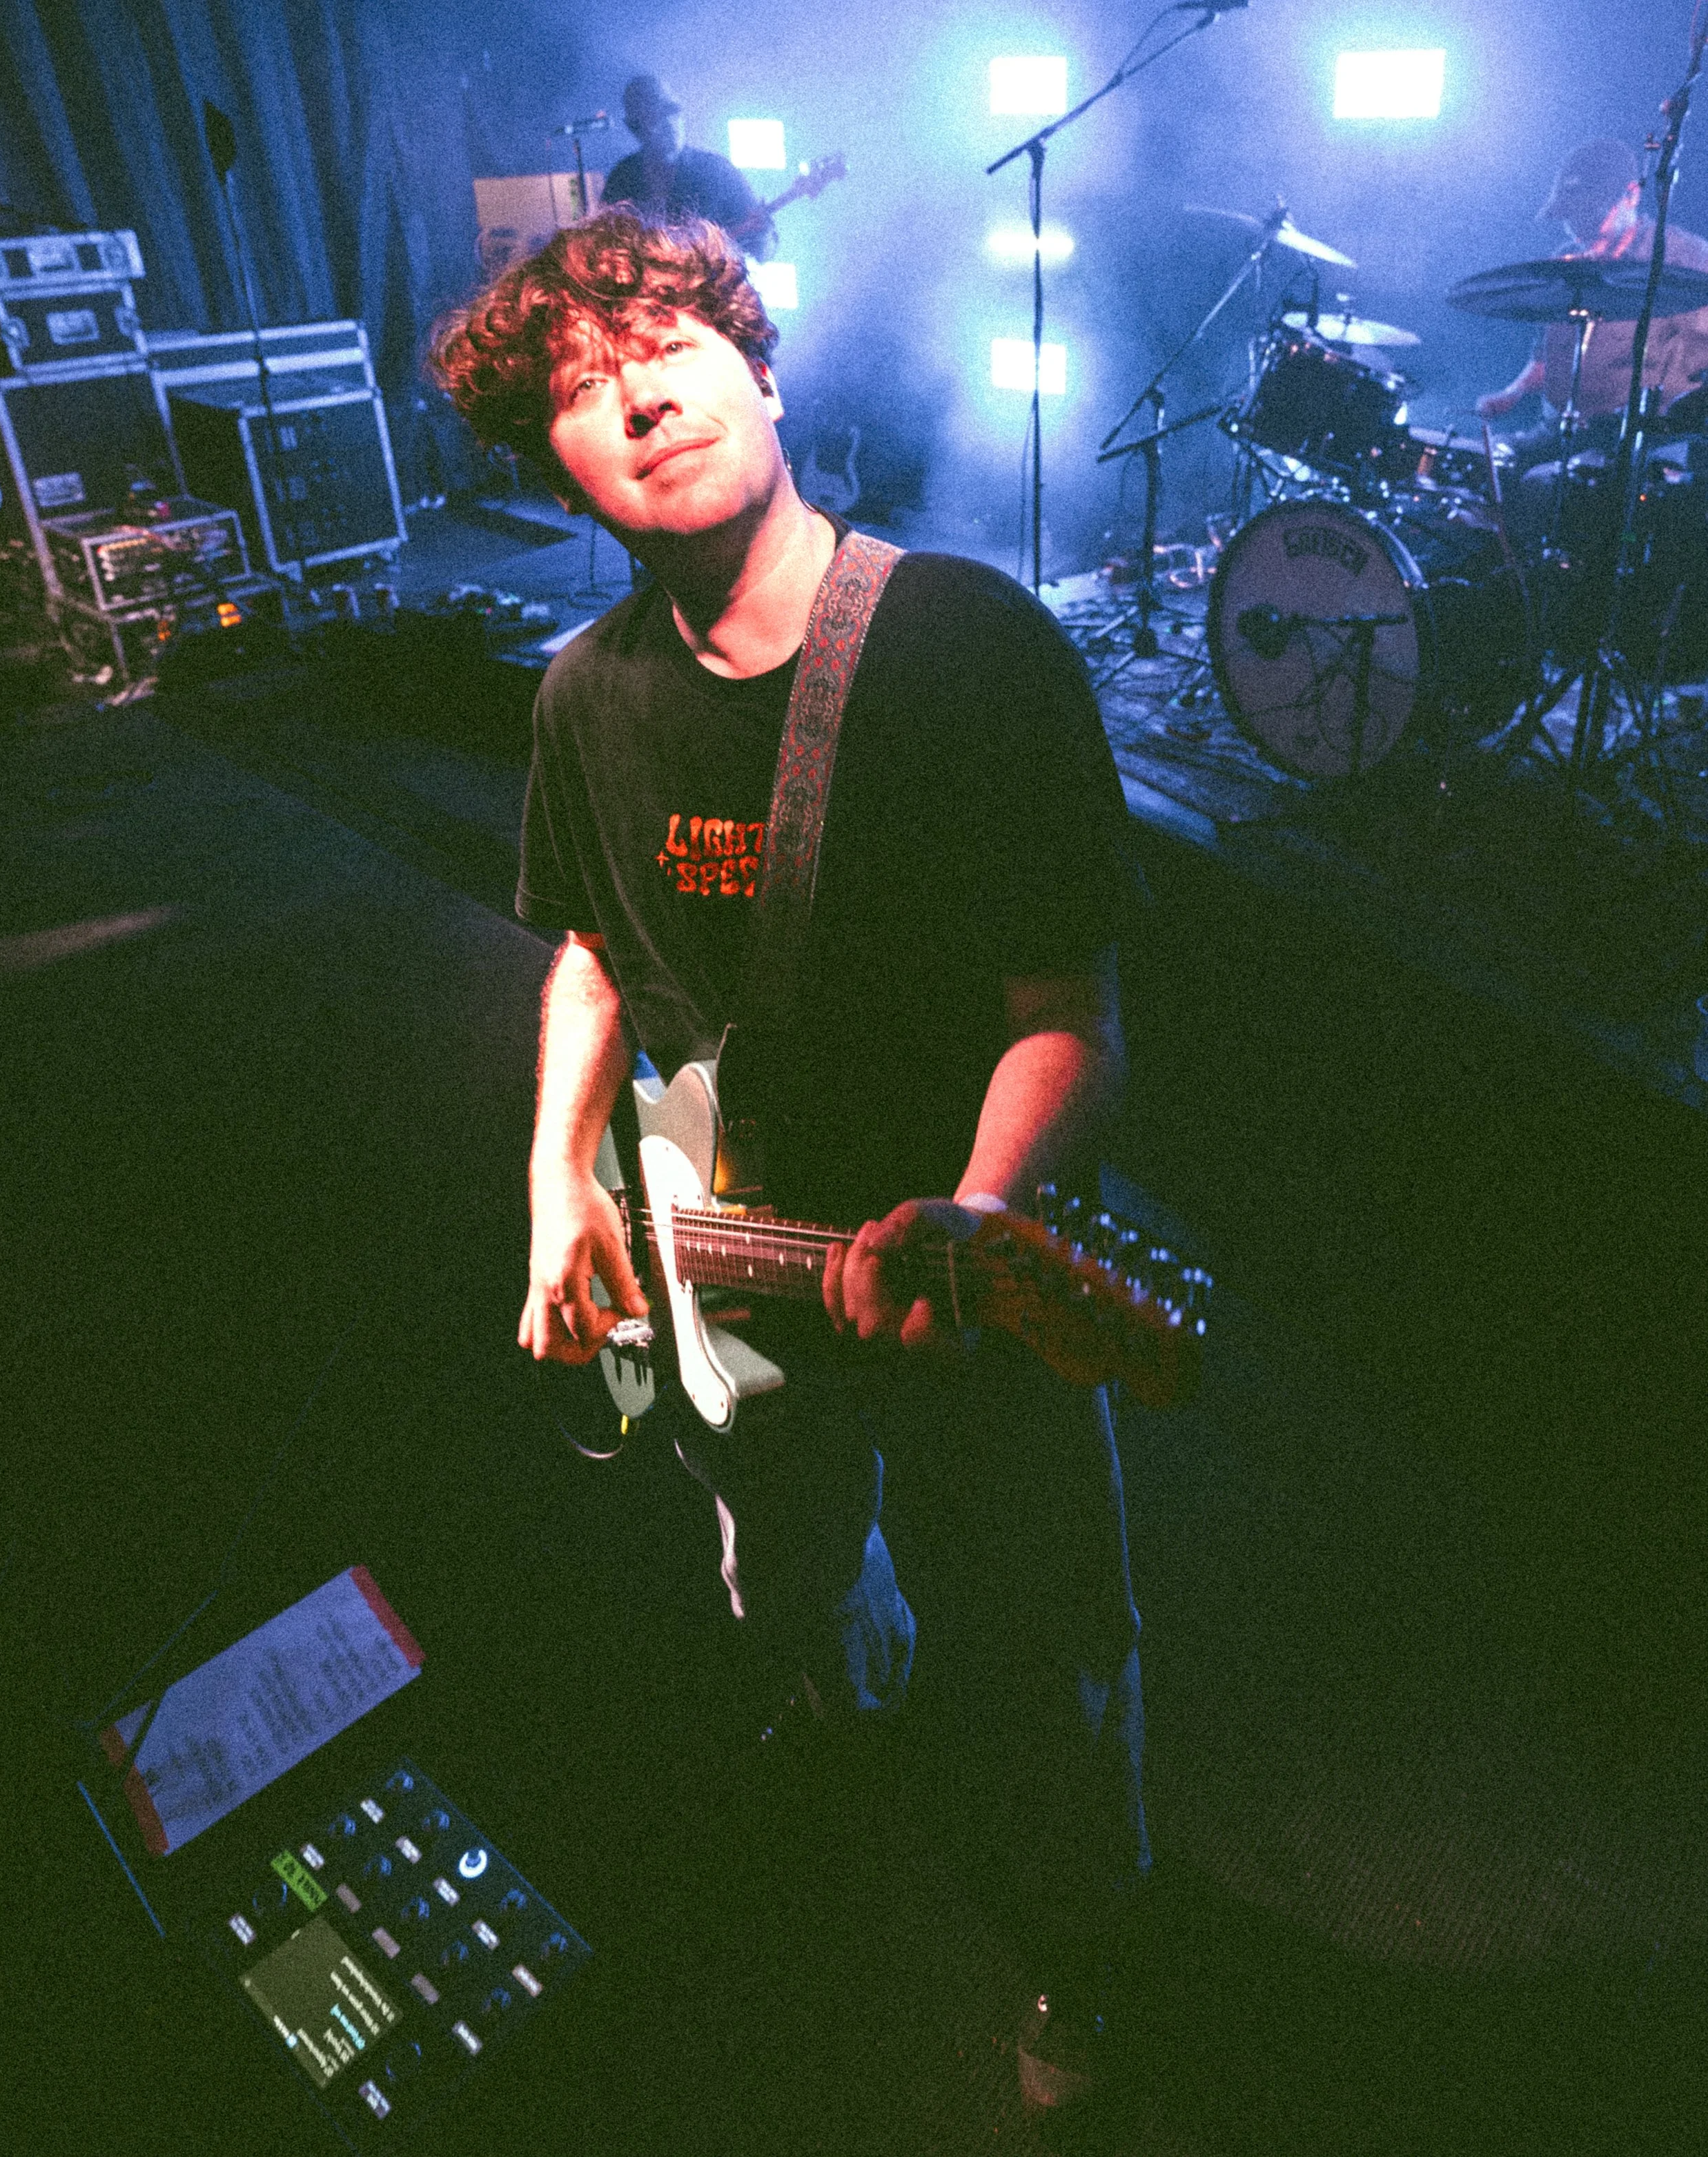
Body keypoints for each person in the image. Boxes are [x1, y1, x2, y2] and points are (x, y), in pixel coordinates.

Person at [431, 206, 1153, 2118]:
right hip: (720, 1246)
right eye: (575, 386)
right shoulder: (582, 694)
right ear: (551, 461)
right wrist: (556, 1180)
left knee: (1047, 1649)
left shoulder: (965, 647)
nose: (635, 391)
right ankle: (840, 1667)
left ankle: (1084, 1959)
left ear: (757, 358)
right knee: (793, 1566)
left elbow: (1066, 1003)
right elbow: (590, 951)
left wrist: (982, 1212)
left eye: (664, 337)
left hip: (943, 1267)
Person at [1475, 138, 1708, 536]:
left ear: (1631, 196)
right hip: (1560, 427)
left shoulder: (1684, 262)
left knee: (1544, 487)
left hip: (1635, 438)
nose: (1579, 226)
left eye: (1592, 213)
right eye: (1571, 214)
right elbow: (1547, 355)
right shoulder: (1571, 261)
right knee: (1489, 466)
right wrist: (1512, 392)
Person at [603, 74, 776, 260]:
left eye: (673, 110)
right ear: (634, 126)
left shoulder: (716, 171)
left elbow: (764, 252)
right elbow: (605, 244)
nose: (669, 122)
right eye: (655, 115)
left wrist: (762, 234)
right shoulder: (623, 176)